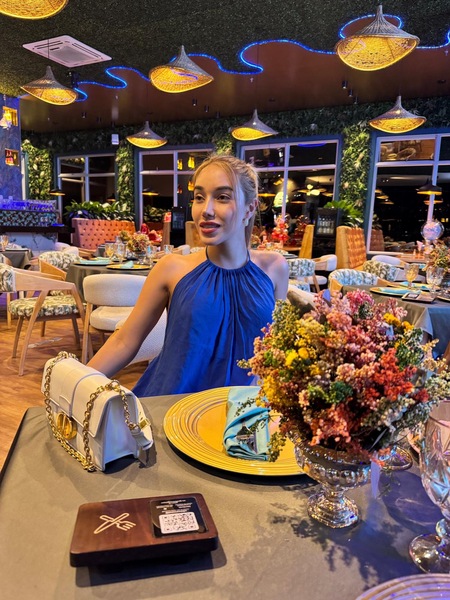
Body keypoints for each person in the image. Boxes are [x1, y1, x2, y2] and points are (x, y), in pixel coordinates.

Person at [88, 154, 289, 395]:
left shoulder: (275, 268)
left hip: (243, 410)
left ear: (250, 208)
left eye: (223, 197)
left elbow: (277, 349)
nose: (206, 210)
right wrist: (76, 384)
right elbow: (125, 341)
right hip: (172, 405)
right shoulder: (171, 268)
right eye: (199, 198)